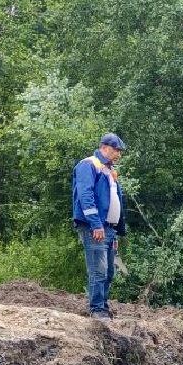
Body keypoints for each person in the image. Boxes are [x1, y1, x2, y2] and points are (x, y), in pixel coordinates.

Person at [71, 133, 127, 320]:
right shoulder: (88, 165)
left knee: (109, 272)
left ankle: (102, 306)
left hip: (109, 229)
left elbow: (113, 201)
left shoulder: (109, 170)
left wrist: (115, 233)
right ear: (105, 147)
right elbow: (85, 196)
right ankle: (97, 310)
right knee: (98, 270)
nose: (118, 154)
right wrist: (95, 224)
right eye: (116, 150)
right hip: (94, 227)